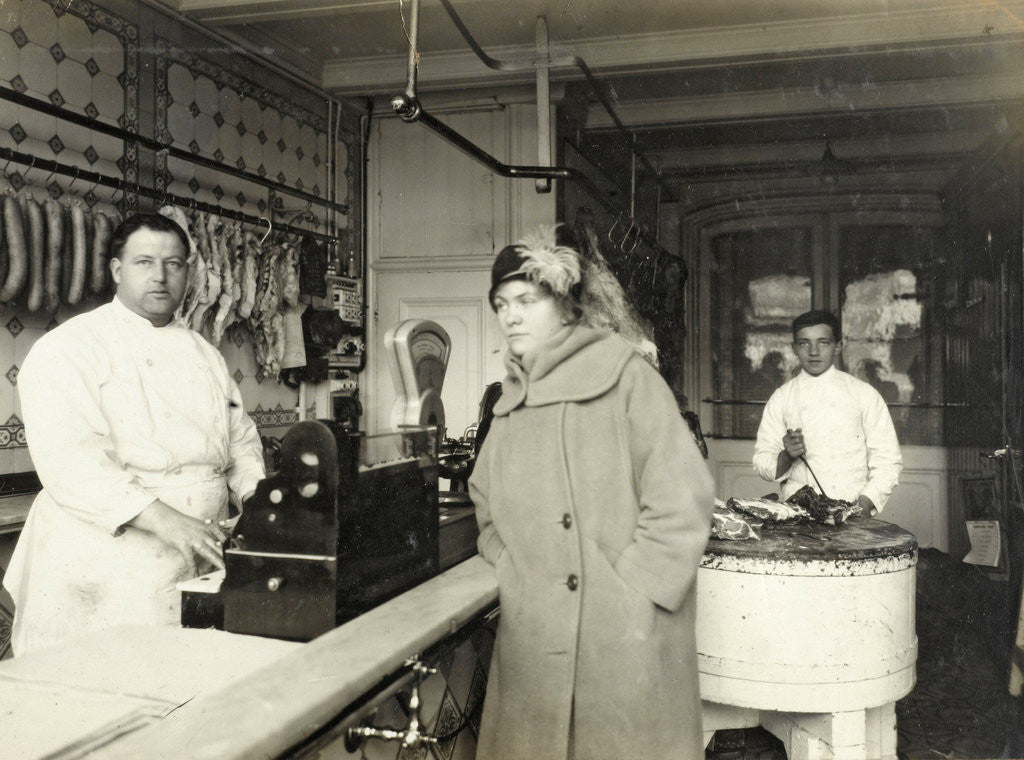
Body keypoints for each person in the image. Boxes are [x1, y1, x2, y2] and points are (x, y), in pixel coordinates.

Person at [469, 226, 715, 760]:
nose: (510, 316)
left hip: (622, 638)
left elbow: (684, 499)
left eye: (526, 301)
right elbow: (483, 499)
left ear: (564, 307)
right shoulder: (511, 400)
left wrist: (633, 594)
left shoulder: (626, 378)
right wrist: (510, 563)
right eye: (501, 303)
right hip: (536, 633)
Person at [3, 212, 265, 655]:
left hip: (201, 547)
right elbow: (71, 463)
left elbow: (240, 439)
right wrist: (169, 522)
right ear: (117, 270)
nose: (160, 277)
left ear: (189, 273)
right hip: (107, 559)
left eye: (174, 264)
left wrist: (260, 501)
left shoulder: (205, 353)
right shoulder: (69, 347)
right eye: (145, 262)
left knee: (186, 680)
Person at [752, 309, 902, 515]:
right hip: (797, 514)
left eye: (823, 342)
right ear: (794, 348)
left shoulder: (864, 395)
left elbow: (888, 462)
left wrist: (865, 505)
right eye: (804, 343)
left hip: (854, 511)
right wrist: (787, 456)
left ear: (837, 346)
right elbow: (762, 463)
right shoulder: (782, 397)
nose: (814, 352)